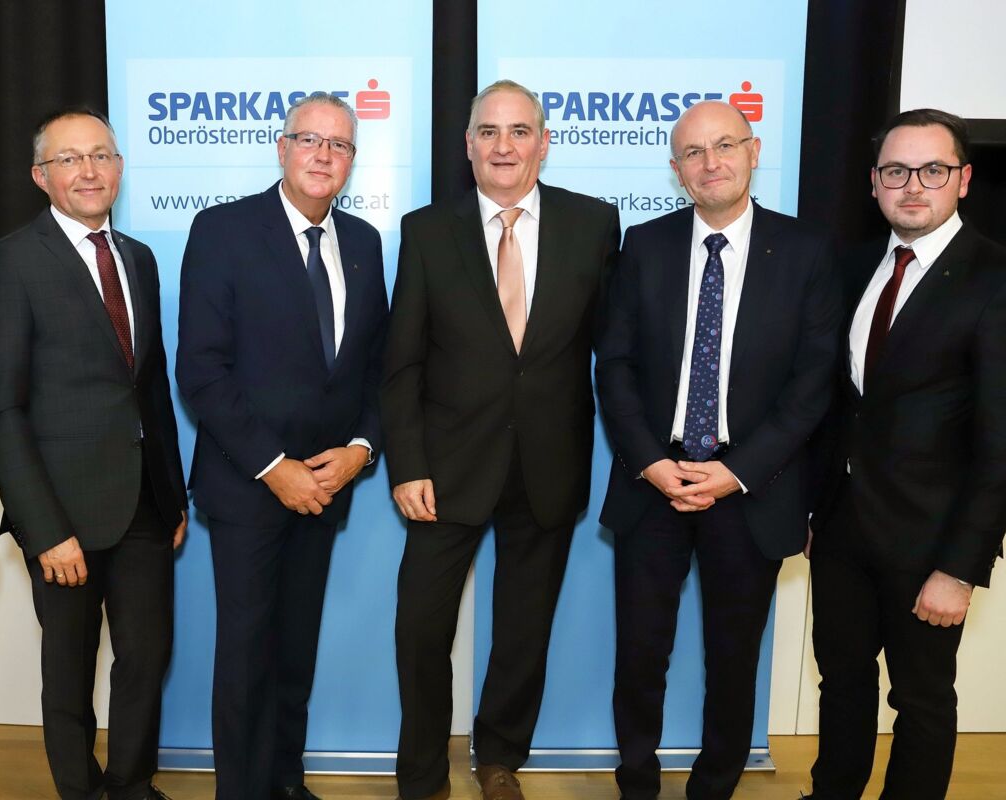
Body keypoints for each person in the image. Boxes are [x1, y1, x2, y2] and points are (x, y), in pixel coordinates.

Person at [596, 99, 841, 800]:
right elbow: (614, 365)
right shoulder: (645, 244)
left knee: (733, 660)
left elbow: (812, 382)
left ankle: (714, 786)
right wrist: (650, 462)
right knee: (640, 654)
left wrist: (736, 472)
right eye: (694, 153)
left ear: (753, 151)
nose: (711, 163)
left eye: (725, 146)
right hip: (654, 481)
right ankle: (636, 780)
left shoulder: (807, 251)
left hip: (749, 488)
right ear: (676, 169)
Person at [381, 79, 620, 800]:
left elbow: (615, 350)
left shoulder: (594, 223)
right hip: (445, 468)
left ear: (544, 143)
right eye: (489, 131)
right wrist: (407, 464)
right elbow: (402, 362)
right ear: (468, 145)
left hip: (548, 464)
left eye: (519, 131)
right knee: (421, 629)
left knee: (523, 631)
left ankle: (499, 759)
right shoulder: (428, 230)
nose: (504, 146)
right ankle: (422, 772)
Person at [175, 92, 387, 800]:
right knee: (246, 658)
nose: (324, 155)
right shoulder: (223, 230)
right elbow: (201, 369)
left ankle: (284, 782)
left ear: (352, 160)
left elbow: (377, 367)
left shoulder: (364, 243)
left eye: (339, 145)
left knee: (295, 653)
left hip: (326, 487)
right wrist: (274, 468)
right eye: (309, 140)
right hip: (248, 487)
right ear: (282, 147)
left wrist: (361, 448)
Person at [0, 107, 187, 800]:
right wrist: (44, 529)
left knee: (146, 658)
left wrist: (173, 495)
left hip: (145, 507)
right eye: (69, 159)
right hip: (62, 514)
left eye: (101, 155)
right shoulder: (12, 262)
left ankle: (131, 785)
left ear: (120, 168)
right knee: (68, 671)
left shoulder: (138, 258)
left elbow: (149, 387)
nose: (89, 171)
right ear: (42, 176)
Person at [805, 109, 1006, 800]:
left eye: (933, 170)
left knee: (920, 698)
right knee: (841, 683)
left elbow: (1000, 443)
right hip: (840, 529)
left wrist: (961, 568)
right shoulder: (854, 264)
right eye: (896, 171)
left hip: (931, 541)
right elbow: (841, 403)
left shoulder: (995, 277)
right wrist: (815, 507)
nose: (913, 185)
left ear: (964, 179)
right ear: (874, 182)